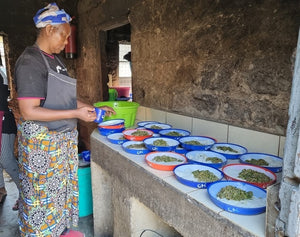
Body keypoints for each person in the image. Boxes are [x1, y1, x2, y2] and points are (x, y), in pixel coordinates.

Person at [14, 3, 115, 236]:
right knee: (42, 198)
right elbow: (29, 111)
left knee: (59, 193)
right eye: (64, 35)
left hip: (59, 143)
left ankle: (58, 230)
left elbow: (65, 99)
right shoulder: (30, 61)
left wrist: (89, 107)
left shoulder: (55, 61)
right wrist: (76, 114)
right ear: (49, 29)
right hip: (43, 146)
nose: (66, 42)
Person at [0, 56, 20, 210]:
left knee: (6, 160)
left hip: (3, 120)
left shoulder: (0, 74)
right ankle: (1, 189)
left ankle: (27, 194)